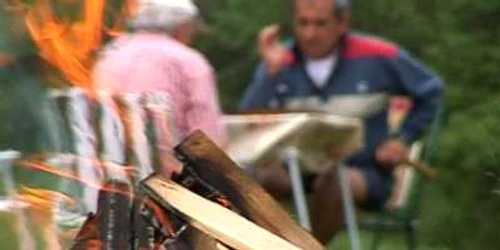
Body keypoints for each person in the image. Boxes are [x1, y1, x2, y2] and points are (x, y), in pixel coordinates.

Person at [239, 0, 443, 244]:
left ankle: (309, 247)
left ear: (342, 22)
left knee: (337, 180)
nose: (310, 33)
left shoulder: (379, 55)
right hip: (297, 170)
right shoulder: (281, 60)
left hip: (364, 172)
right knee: (242, 174)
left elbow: (432, 91)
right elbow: (247, 117)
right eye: (302, 23)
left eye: (320, 24)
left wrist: (402, 138)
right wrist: (270, 72)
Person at [93, 0, 227, 177]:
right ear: (182, 25)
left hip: (108, 176)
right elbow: (208, 144)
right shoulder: (189, 61)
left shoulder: (107, 57)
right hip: (168, 181)